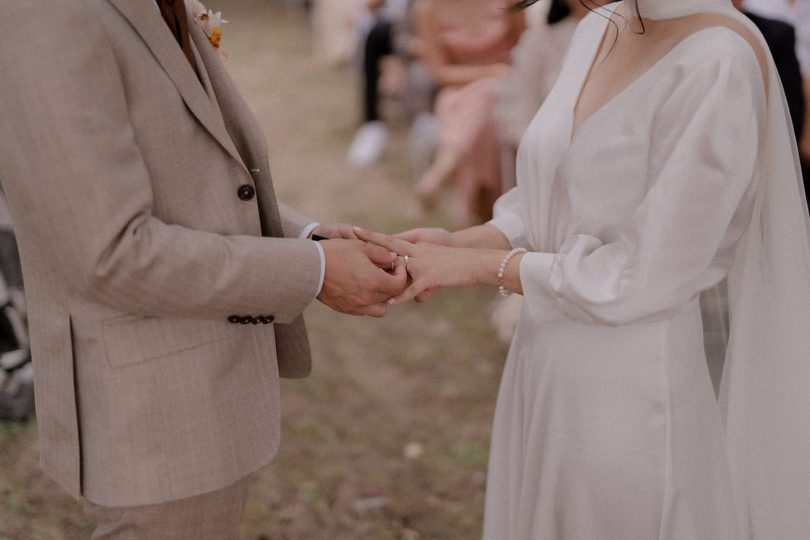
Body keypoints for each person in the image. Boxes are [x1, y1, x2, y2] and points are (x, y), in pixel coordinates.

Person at [358, 0, 810, 537]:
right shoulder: (599, 27)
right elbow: (553, 196)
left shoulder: (718, 62)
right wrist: (456, 243)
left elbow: (647, 276)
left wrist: (481, 267)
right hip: (544, 358)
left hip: (628, 396)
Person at [0, 1, 407, 538]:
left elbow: (185, 183)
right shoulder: (46, 13)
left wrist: (310, 239)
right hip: (147, 414)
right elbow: (111, 253)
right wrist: (311, 271)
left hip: (201, 393)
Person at [413, 0, 525, 227]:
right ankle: (486, 211)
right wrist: (489, 73)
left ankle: (443, 169)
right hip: (459, 93)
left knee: (489, 98)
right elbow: (440, 73)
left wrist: (502, 76)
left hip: (508, 89)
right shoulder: (427, 8)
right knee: (485, 99)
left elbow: (526, 48)